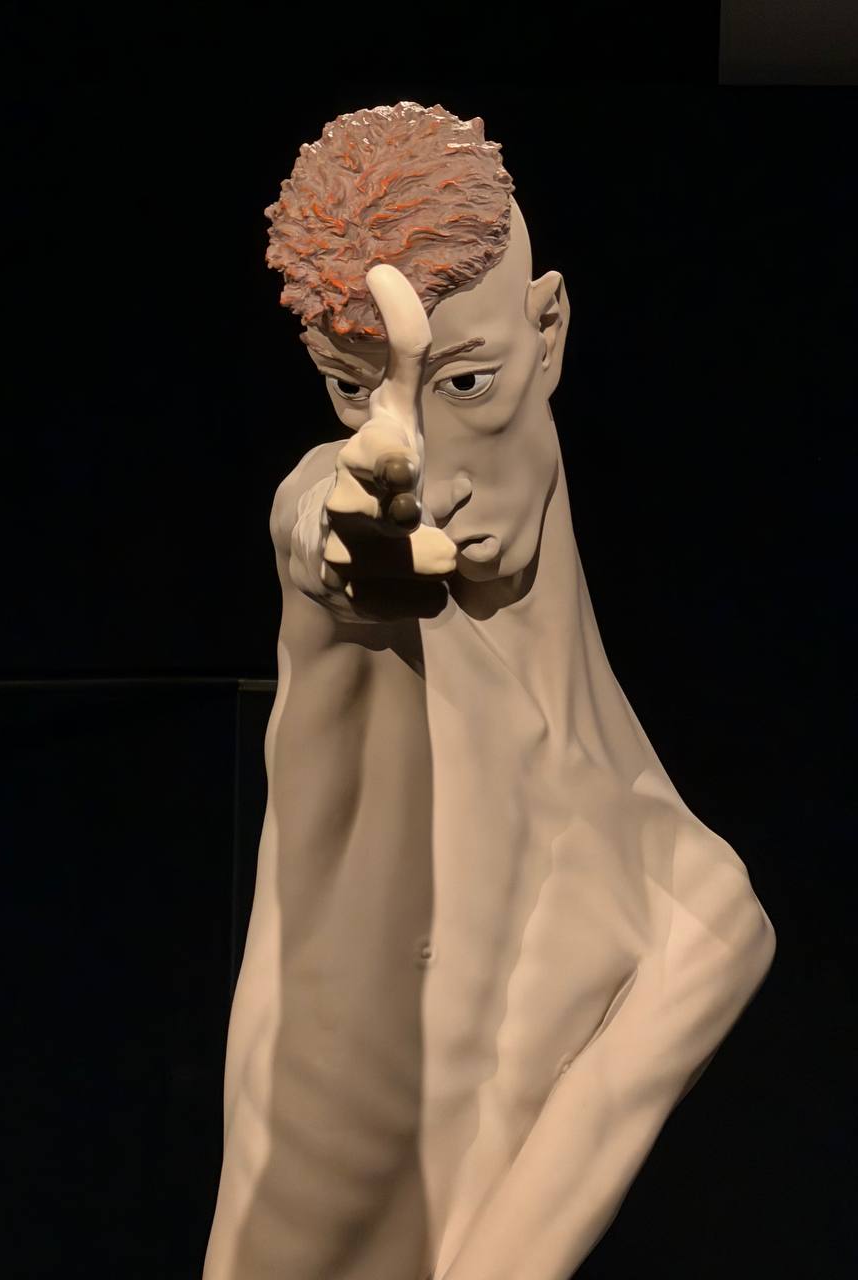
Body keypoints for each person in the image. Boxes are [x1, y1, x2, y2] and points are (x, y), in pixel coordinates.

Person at [203, 101, 775, 1280]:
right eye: (354, 388)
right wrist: (340, 526)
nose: (423, 461)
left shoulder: (703, 912)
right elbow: (318, 529)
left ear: (547, 329)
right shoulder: (381, 640)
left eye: (466, 380)